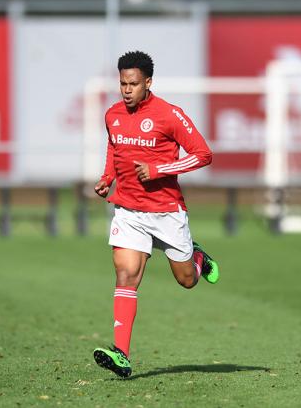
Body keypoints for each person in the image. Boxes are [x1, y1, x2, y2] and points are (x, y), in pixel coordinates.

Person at [92, 51, 219, 378]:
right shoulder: (112, 114)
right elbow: (114, 146)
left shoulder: (169, 114)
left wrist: (160, 169)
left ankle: (197, 258)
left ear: (148, 82)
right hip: (129, 211)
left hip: (166, 212)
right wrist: (108, 178)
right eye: (122, 83)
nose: (126, 90)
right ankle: (122, 354)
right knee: (126, 275)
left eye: (133, 83)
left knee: (187, 280)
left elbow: (203, 154)